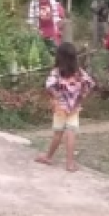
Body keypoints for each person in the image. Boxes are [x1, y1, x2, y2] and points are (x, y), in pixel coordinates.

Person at [34, 42, 95, 172]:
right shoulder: (80, 73)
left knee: (58, 134)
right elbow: (90, 84)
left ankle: (48, 157)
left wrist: (57, 96)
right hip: (74, 109)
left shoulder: (56, 72)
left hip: (60, 108)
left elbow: (49, 86)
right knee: (71, 133)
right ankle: (70, 163)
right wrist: (81, 97)